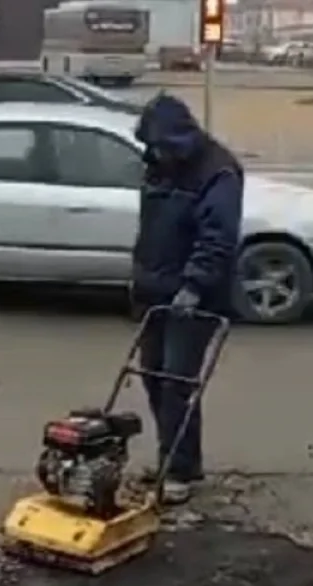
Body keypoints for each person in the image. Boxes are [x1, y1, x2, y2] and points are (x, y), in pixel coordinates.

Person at [131, 93, 243, 505]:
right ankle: (173, 459)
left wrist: (194, 285)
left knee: (176, 382)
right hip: (154, 292)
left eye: (159, 145)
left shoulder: (217, 172)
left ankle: (179, 470)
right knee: (153, 377)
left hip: (193, 298)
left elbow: (218, 236)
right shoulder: (159, 166)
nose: (153, 153)